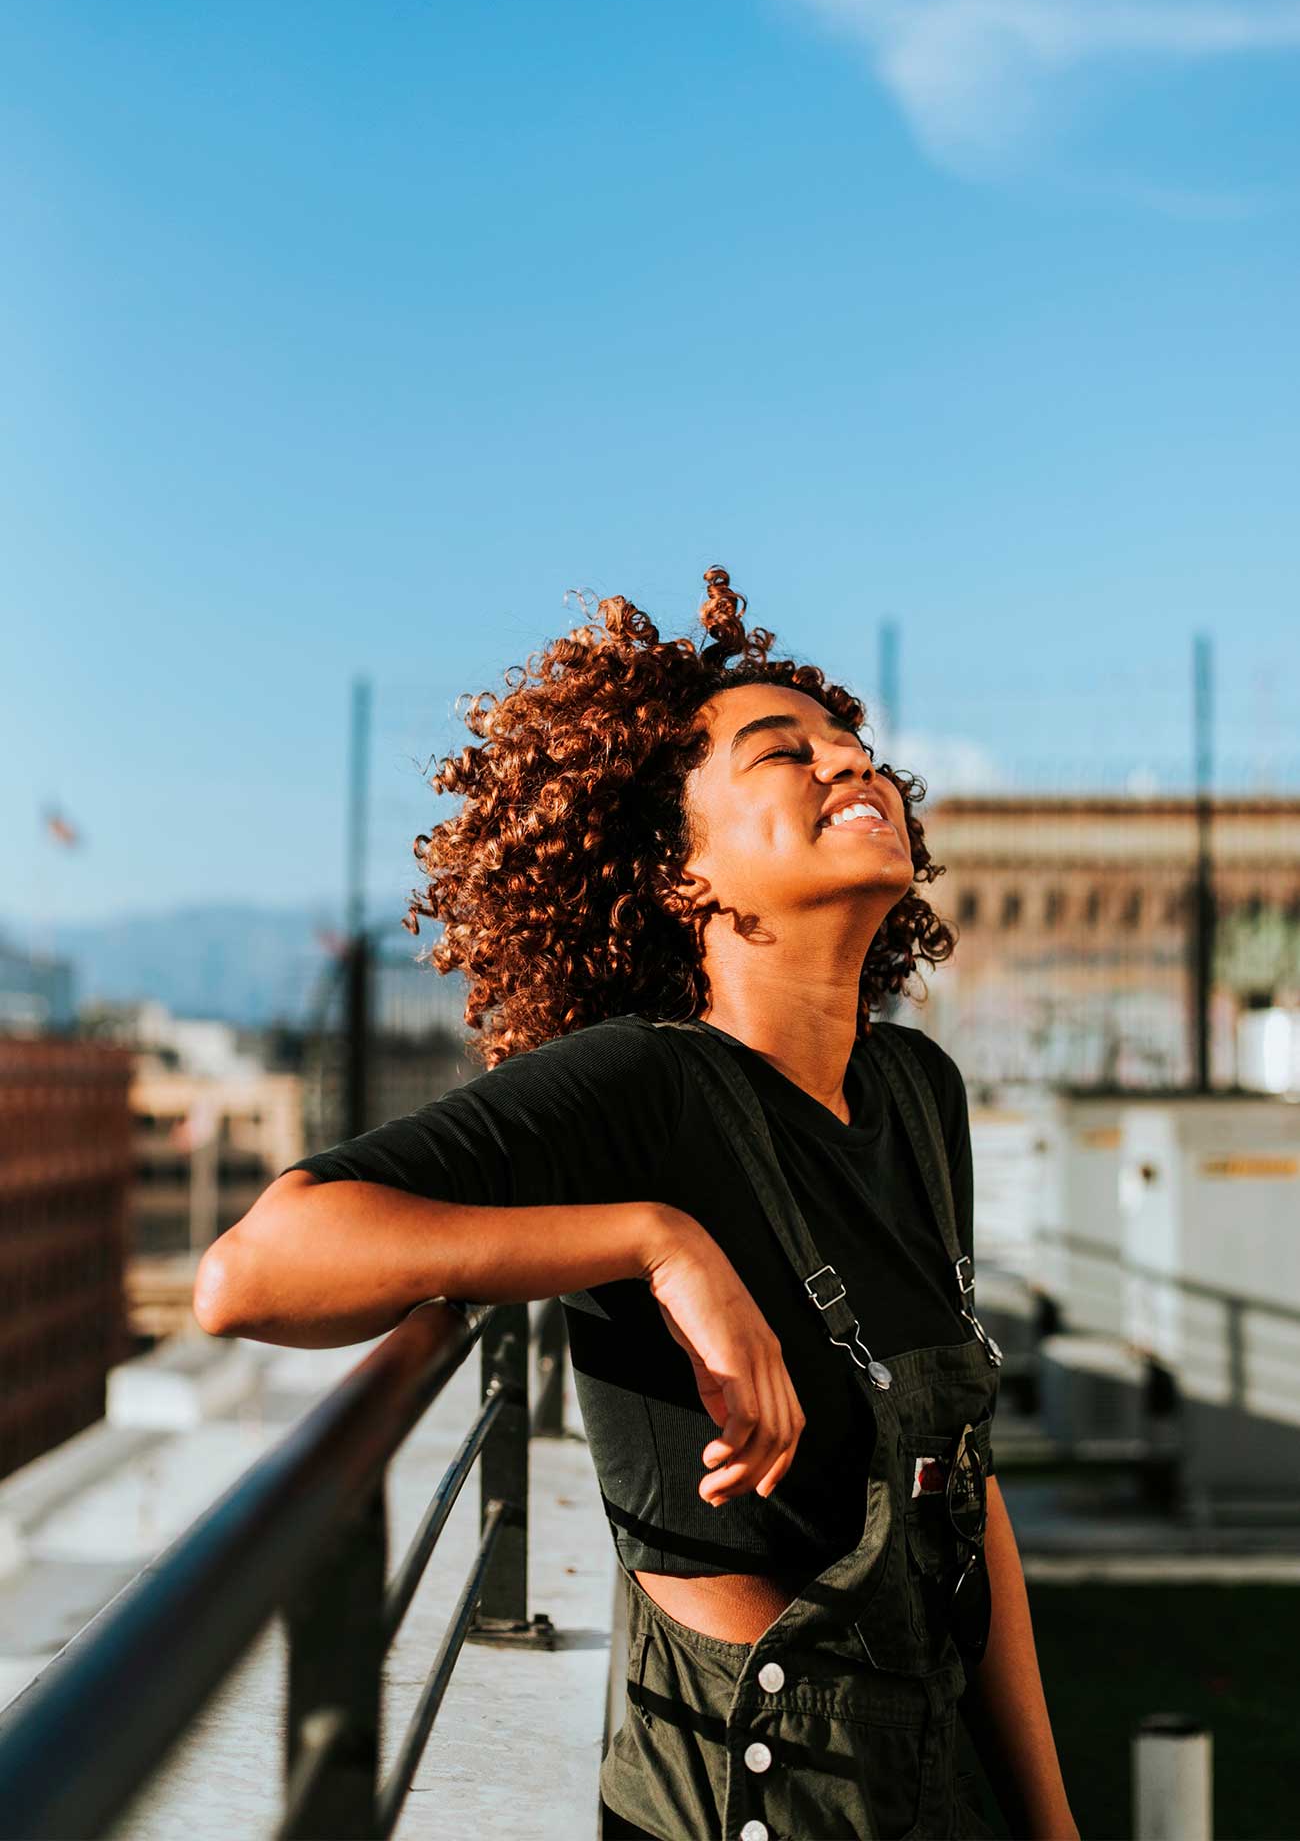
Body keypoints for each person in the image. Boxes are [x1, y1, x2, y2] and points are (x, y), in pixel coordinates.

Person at [194, 566, 1078, 1841]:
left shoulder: (915, 1092)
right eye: (786, 753)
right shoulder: (645, 1085)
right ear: (680, 873)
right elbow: (253, 1268)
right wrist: (652, 1238)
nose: (854, 769)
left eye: (859, 749)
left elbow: (963, 1496)